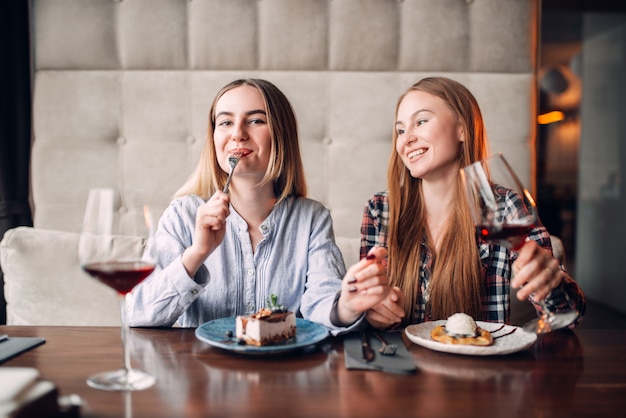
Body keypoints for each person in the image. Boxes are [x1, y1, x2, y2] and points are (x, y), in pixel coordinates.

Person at [127, 79, 388, 331]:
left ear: (280, 135)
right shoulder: (182, 215)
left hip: (283, 371)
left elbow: (322, 300)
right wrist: (196, 253)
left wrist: (349, 304)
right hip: (201, 372)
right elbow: (137, 313)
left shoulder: (312, 219)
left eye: (255, 121)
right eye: (226, 122)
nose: (237, 134)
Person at [360, 76, 586, 329]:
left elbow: (570, 318)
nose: (406, 139)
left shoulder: (506, 206)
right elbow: (366, 307)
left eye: (420, 122)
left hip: (478, 364)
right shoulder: (380, 209)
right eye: (400, 130)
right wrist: (372, 308)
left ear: (462, 129)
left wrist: (550, 283)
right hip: (401, 363)